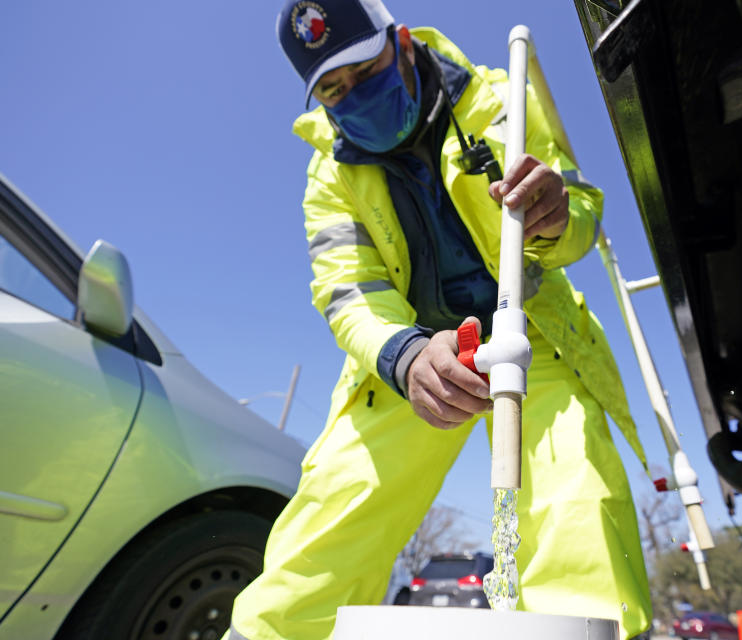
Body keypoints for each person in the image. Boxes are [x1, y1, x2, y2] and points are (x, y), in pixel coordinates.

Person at [227, 1, 651, 638]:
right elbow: (350, 292)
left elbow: (582, 208)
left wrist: (559, 217)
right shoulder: (328, 172)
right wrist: (405, 355)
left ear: (399, 43)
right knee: (328, 525)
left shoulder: (501, 98)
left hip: (530, 340)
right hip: (415, 359)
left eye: (363, 72)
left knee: (575, 504)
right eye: (333, 91)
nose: (353, 98)